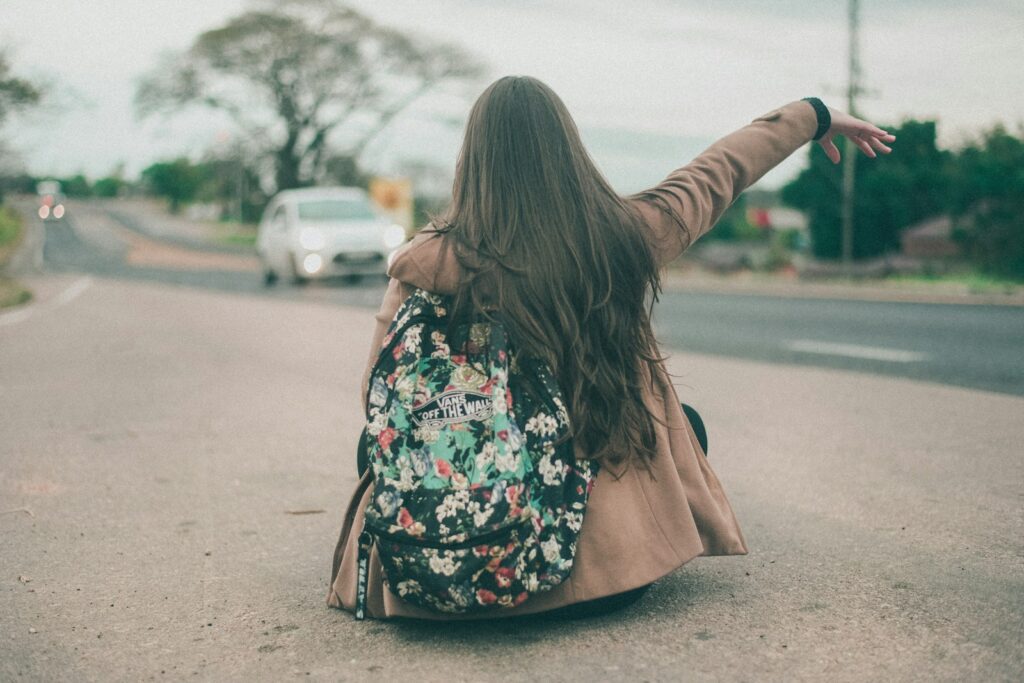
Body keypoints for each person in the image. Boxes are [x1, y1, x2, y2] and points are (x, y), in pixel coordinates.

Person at [327, 76, 895, 620]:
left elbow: (377, 397)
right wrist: (810, 115)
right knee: (686, 427)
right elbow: (718, 172)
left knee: (372, 445)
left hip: (435, 586)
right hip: (609, 582)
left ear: (472, 164)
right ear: (567, 154)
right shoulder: (623, 237)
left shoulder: (423, 265)